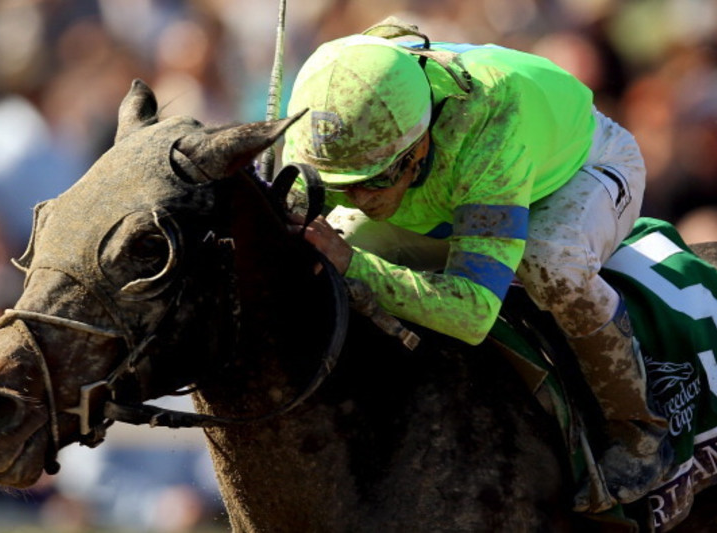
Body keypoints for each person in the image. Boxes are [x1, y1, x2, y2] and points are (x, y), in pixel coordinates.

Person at [282, 19, 672, 512]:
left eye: (374, 179)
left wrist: (355, 266)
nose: (360, 197)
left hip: (579, 170)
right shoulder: (328, 108)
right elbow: (292, 216)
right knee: (333, 244)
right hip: (450, 183)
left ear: (420, 143)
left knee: (549, 264)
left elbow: (472, 313)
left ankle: (640, 430)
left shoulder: (489, 127)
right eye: (343, 182)